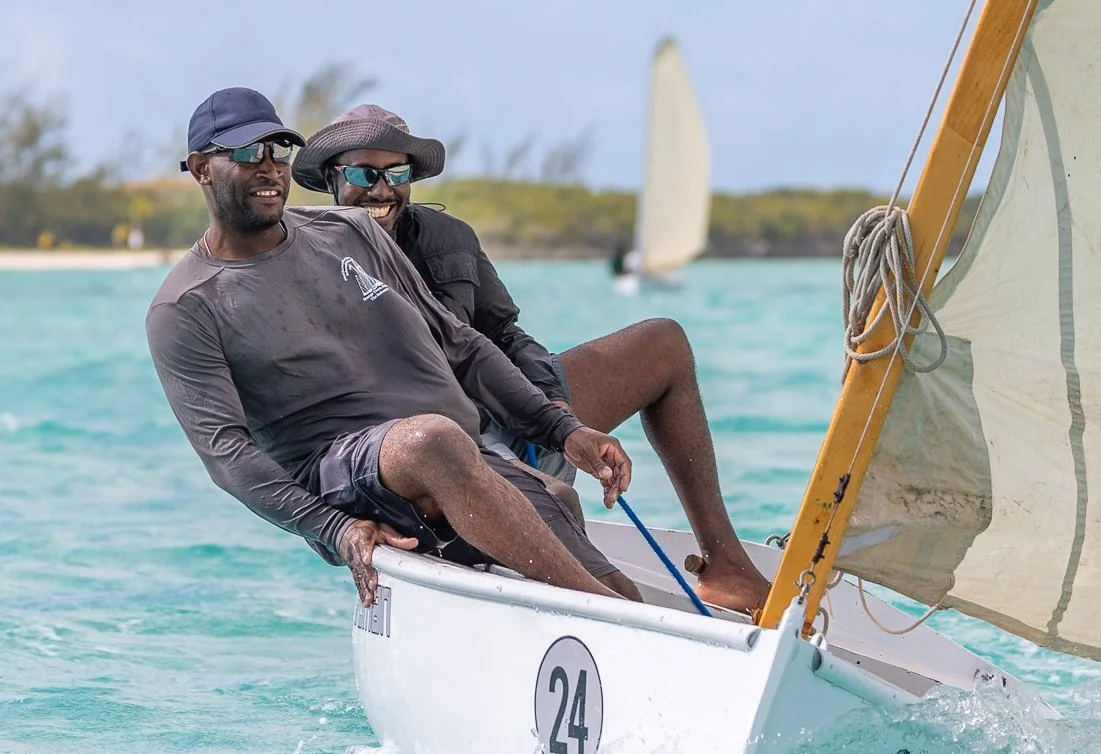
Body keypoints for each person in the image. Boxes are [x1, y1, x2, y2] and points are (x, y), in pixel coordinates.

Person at [147, 87, 641, 607]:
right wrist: (334, 529)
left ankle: (615, 609)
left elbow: (459, 343)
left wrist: (563, 431)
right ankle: (604, 612)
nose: (270, 169)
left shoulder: (351, 232)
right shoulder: (185, 307)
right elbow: (228, 456)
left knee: (563, 503)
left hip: (451, 457)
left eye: (279, 152)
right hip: (342, 468)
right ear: (202, 168)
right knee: (433, 438)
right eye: (248, 154)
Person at [292, 105, 771, 615]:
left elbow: (504, 332)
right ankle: (580, 598)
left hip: (512, 411)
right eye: (365, 174)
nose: (382, 190)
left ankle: (727, 567)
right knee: (562, 513)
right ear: (331, 180)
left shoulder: (451, 237)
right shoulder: (305, 263)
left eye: (397, 174)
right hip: (438, 451)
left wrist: (555, 413)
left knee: (663, 342)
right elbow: (301, 426)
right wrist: (337, 526)